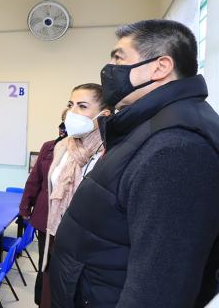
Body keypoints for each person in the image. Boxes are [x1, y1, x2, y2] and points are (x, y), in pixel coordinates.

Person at [50, 19, 219, 308]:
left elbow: (158, 287)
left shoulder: (177, 146)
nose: (109, 70)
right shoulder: (150, 125)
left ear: (160, 67)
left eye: (118, 58)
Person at [38, 83, 112, 308]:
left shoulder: (110, 152)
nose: (72, 112)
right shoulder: (63, 147)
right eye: (71, 105)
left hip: (88, 251)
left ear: (104, 114)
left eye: (82, 106)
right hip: (55, 239)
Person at [19, 108, 68, 305]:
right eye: (63, 120)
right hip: (46, 217)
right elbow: (34, 180)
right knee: (45, 263)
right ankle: (41, 301)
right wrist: (25, 206)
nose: (64, 126)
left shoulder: (87, 151)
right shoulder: (49, 147)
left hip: (69, 220)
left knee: (62, 268)